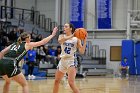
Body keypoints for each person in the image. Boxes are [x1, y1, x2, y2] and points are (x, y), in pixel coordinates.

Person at [0, 27, 58, 93]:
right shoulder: (27, 44)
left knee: (8, 82)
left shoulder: (14, 44)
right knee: (25, 85)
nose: (30, 39)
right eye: (30, 38)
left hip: (2, 62)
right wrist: (52, 35)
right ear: (27, 38)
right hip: (10, 63)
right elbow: (43, 42)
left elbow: (2, 52)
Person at [53, 23, 87, 93]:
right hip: (62, 61)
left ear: (71, 28)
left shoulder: (76, 39)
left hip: (71, 61)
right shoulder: (61, 36)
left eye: (66, 27)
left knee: (71, 83)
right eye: (64, 26)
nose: (64, 28)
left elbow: (82, 51)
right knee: (56, 81)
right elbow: (60, 41)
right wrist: (72, 35)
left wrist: (85, 41)